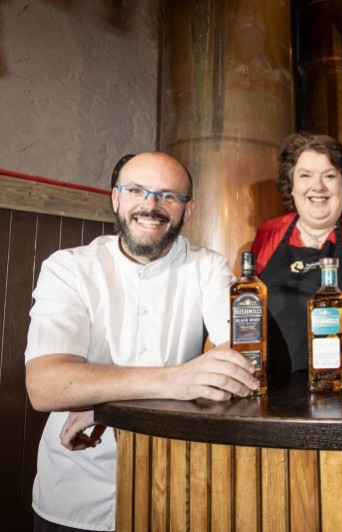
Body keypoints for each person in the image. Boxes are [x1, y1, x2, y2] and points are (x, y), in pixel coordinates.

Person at [25, 152, 259, 531]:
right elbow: (45, 386)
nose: (151, 206)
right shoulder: (67, 267)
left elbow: (243, 362)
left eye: (169, 196)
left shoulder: (208, 267)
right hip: (74, 491)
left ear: (189, 210)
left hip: (170, 492)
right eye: (136, 190)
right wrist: (171, 382)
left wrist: (107, 403)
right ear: (116, 198)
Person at [251, 133, 342, 387]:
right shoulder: (269, 233)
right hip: (272, 388)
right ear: (291, 185)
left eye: (329, 176)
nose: (317, 186)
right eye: (305, 175)